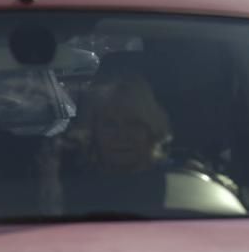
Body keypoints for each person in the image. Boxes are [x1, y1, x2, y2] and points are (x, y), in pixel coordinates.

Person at [65, 74, 173, 217]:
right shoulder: (72, 187)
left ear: (151, 129)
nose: (122, 135)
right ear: (94, 131)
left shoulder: (178, 184)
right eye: (110, 124)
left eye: (133, 124)